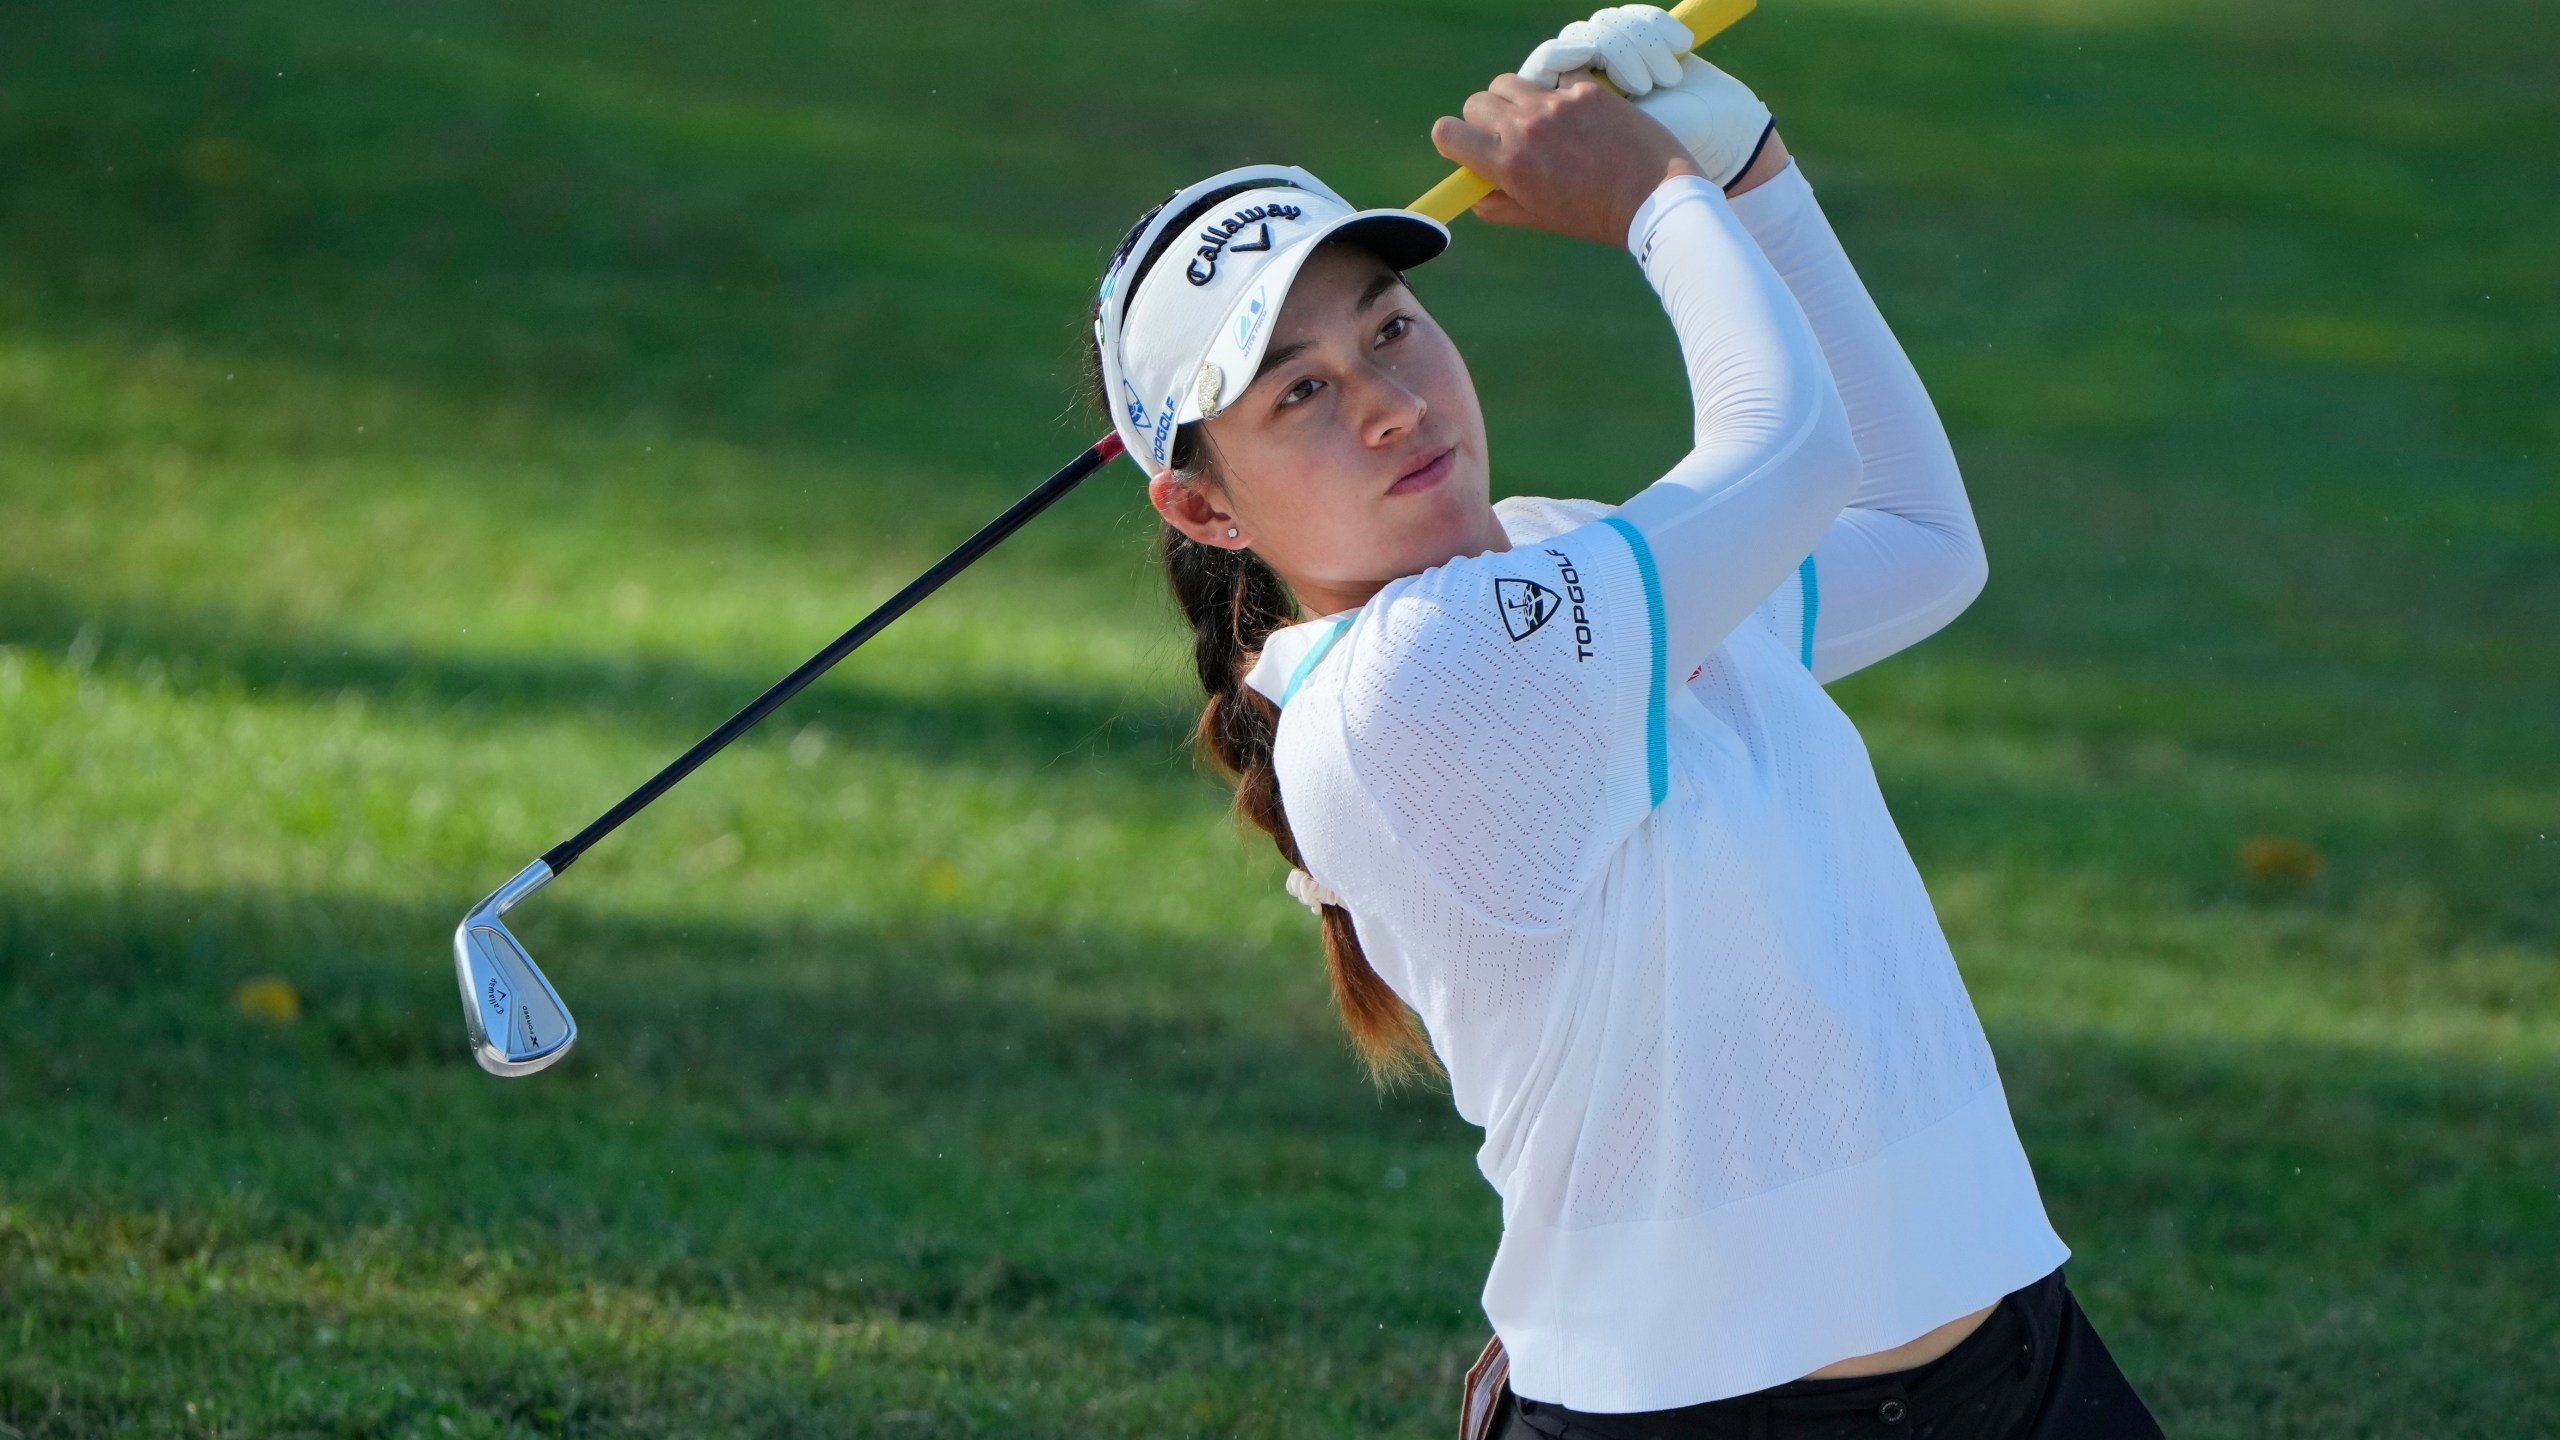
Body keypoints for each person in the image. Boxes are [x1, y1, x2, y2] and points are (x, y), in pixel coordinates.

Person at [1083, 8, 2162, 1436]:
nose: (1393, 404)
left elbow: (1910, 537)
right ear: (1204, 505)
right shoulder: (1410, 685)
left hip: (2018, 1369)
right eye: (1301, 392)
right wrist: (1663, 199)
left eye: (1392, 328)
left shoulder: (1560, 558)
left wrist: (1755, 178)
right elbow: (1790, 458)